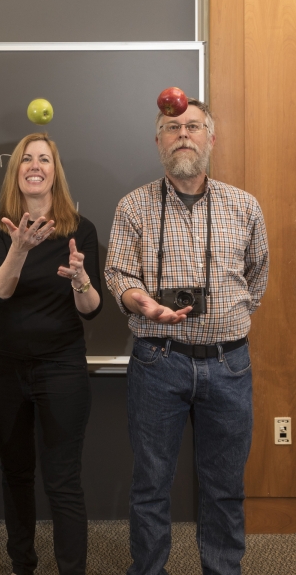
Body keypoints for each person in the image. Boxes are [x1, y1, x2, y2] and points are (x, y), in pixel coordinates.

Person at [105, 98, 269, 575]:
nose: (183, 134)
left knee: (224, 486)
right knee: (151, 485)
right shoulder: (133, 206)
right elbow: (118, 274)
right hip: (159, 361)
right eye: (171, 127)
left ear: (210, 138)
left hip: (229, 365)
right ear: (158, 141)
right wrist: (144, 304)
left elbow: (256, 279)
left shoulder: (244, 205)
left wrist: (228, 320)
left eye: (193, 126)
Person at [0, 133, 102, 575]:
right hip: (6, 369)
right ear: (17, 172)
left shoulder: (79, 228)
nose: (35, 165)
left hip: (62, 369)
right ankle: (22, 566)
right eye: (26, 159)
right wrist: (19, 248)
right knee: (16, 475)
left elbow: (92, 311)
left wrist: (80, 280)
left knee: (64, 480)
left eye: (44, 159)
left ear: (55, 171)